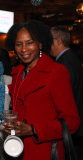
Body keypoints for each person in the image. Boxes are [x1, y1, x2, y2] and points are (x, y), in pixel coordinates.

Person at [4, 20, 80, 160]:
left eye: (30, 42)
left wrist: (33, 129)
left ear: (40, 44)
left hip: (44, 151)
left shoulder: (56, 72)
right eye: (19, 44)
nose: (24, 49)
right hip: (16, 150)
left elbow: (72, 122)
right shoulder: (16, 73)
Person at [51, 26, 83, 160]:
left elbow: (63, 98)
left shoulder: (63, 64)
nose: (47, 44)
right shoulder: (73, 57)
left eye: (49, 40)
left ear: (58, 40)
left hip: (72, 126)